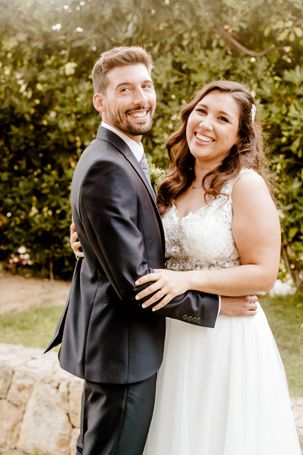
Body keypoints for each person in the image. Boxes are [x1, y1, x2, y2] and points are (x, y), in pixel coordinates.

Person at [46, 47, 255, 455]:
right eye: (126, 89)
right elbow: (133, 282)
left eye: (146, 85)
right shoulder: (109, 163)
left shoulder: (127, 155)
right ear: (100, 102)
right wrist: (215, 306)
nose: (141, 98)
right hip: (122, 348)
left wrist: (87, 238)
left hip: (138, 345)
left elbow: (130, 233)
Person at [132, 80, 300, 454]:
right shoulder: (170, 185)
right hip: (171, 336)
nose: (206, 123)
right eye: (202, 111)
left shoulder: (246, 186)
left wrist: (187, 279)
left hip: (226, 342)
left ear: (240, 135)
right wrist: (85, 241)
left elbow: (263, 273)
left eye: (223, 118)